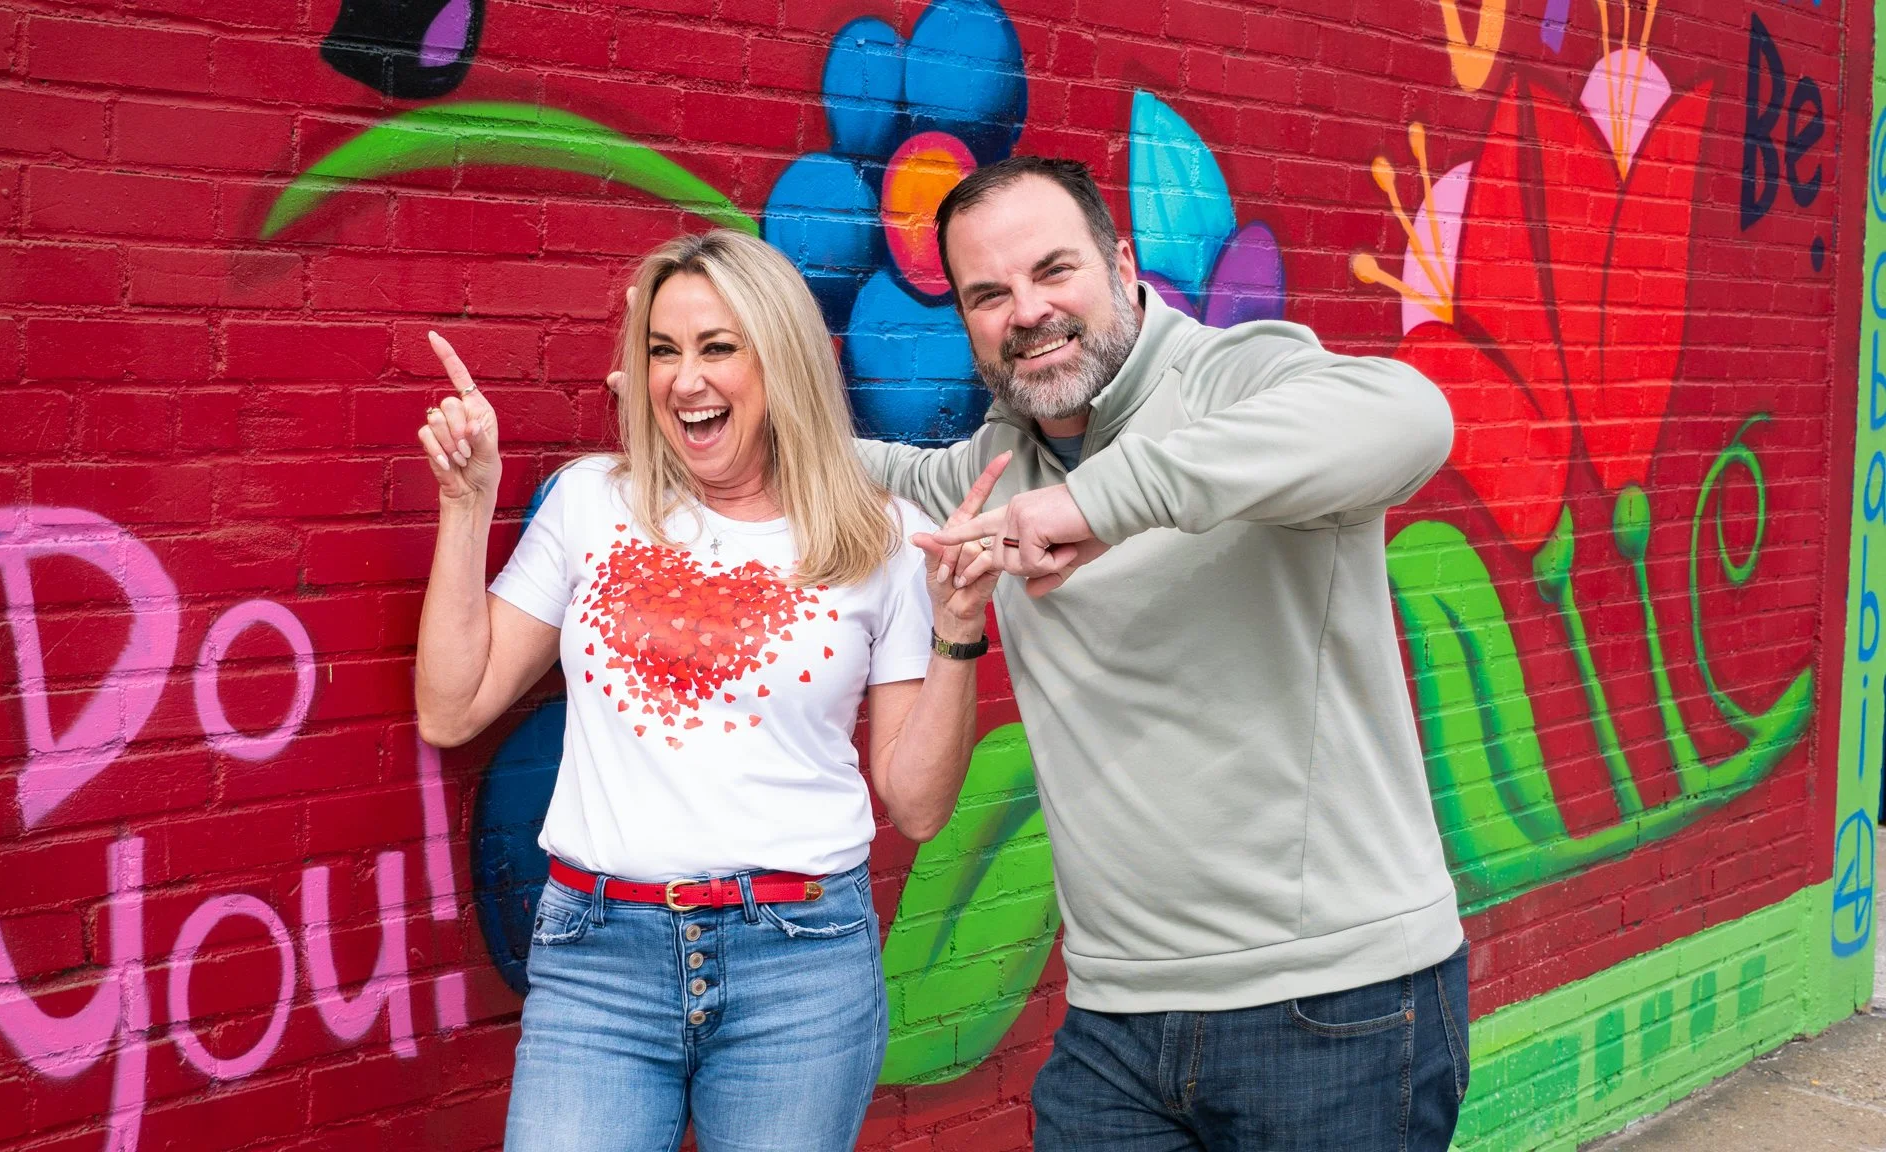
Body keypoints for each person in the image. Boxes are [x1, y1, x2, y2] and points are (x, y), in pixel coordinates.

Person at [858, 156, 1470, 1149]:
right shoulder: (995, 471)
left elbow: (1410, 416)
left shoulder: (1230, 377)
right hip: (1114, 1022)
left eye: (1053, 270)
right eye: (988, 294)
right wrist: (695, 420)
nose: (1027, 311)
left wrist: (1099, 503)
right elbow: (866, 475)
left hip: (1333, 1006)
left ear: (1121, 265)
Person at [412, 229, 1009, 1152]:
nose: (684, 379)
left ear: (781, 361)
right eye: (663, 350)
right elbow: (453, 708)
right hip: (598, 962)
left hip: (800, 966)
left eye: (717, 347)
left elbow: (919, 804)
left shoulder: (882, 537)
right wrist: (466, 504)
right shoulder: (592, 501)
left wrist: (959, 627)